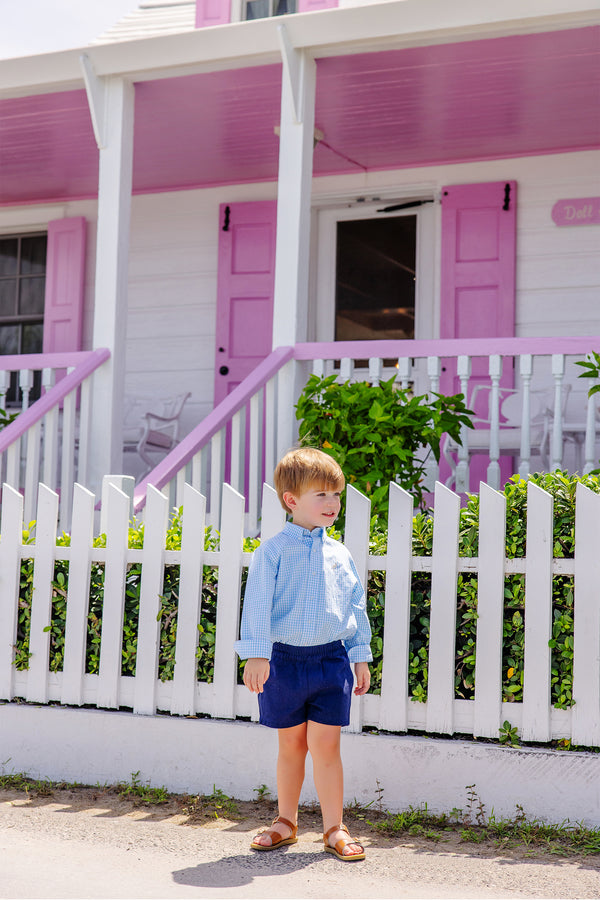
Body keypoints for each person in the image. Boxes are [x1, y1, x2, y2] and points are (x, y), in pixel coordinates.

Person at [235, 447, 372, 861]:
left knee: (327, 747)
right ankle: (286, 822)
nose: (332, 504)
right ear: (292, 501)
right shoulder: (273, 551)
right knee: (291, 746)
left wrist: (359, 653)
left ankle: (334, 828)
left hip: (331, 662)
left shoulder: (340, 553)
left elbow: (355, 605)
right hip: (284, 662)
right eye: (322, 495)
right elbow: (257, 602)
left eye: (337, 496)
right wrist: (257, 654)